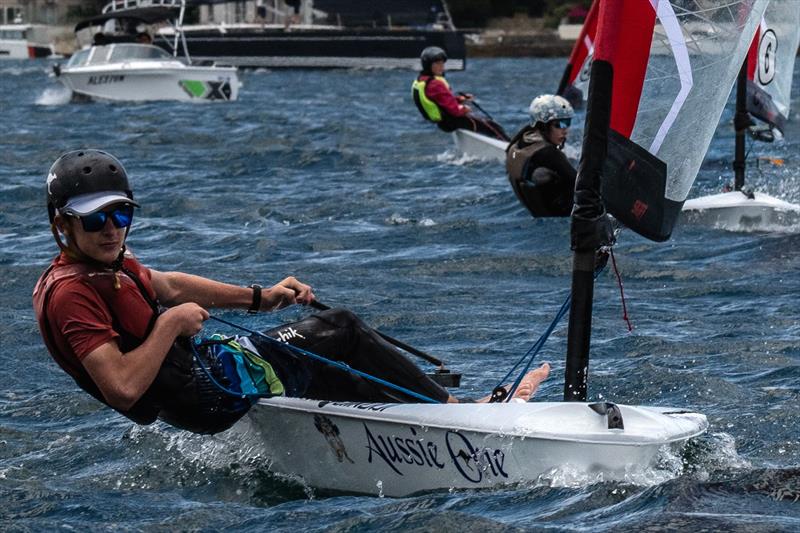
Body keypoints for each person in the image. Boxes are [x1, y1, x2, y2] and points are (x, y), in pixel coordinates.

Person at [34, 150, 550, 435]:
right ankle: (463, 415)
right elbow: (121, 388)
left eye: (120, 214)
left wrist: (262, 297)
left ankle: (407, 422)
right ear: (63, 225)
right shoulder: (70, 295)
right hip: (205, 398)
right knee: (339, 328)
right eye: (95, 219)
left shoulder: (105, 262)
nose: (111, 229)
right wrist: (170, 323)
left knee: (316, 348)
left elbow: (166, 285)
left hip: (203, 376)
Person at [411, 46, 509, 141]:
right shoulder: (435, 84)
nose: (442, 66)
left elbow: (442, 101)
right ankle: (512, 149)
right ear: (428, 65)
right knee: (492, 126)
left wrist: (461, 99)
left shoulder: (422, 80)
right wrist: (465, 108)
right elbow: (455, 111)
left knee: (485, 125)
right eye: (437, 63)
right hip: (453, 121)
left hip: (444, 122)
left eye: (442, 63)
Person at [506, 94, 577, 217]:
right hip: (562, 218)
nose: (565, 130)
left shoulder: (519, 142)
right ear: (544, 126)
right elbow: (582, 184)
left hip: (538, 214)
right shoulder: (549, 154)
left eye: (567, 123)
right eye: (559, 124)